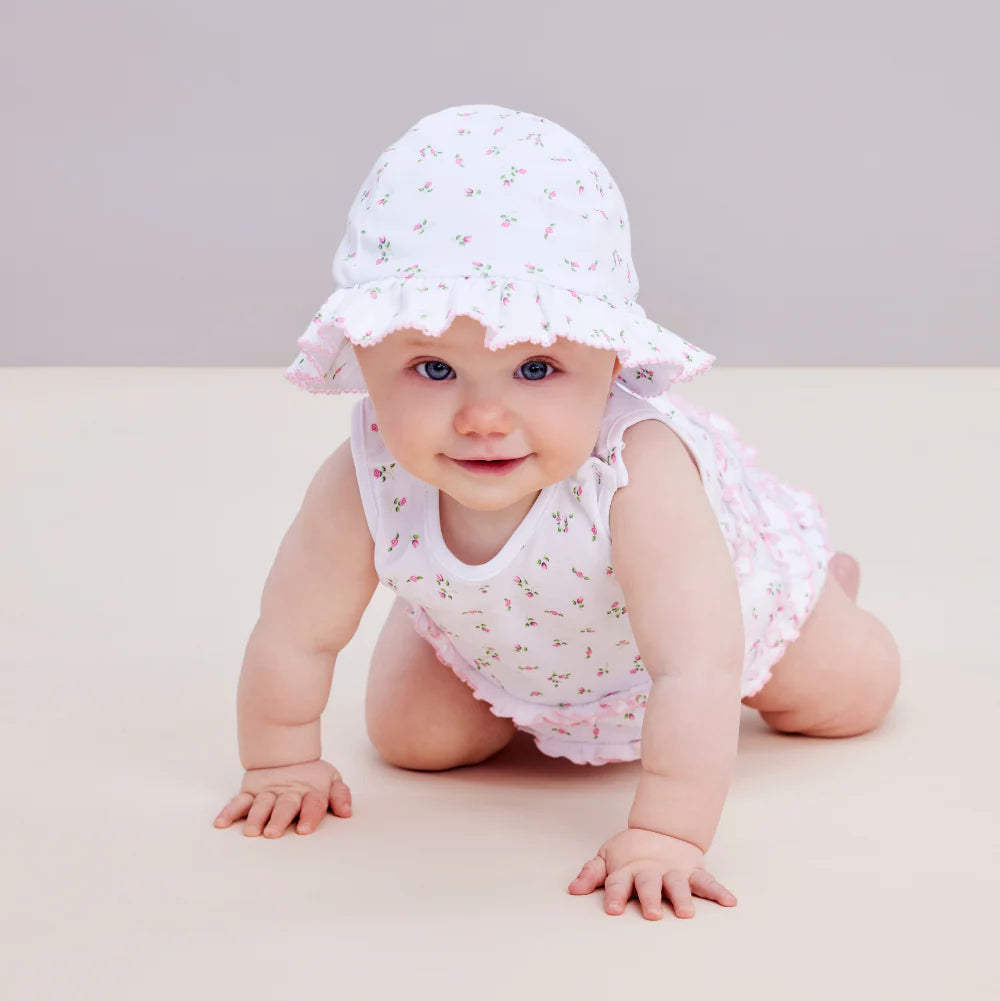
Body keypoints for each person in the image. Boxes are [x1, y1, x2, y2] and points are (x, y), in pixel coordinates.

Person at [213, 103, 901, 921]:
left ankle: (825, 587)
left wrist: (666, 833)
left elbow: (696, 666)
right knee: (411, 741)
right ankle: (450, 603)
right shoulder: (367, 471)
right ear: (366, 357)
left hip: (716, 630)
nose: (482, 418)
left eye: (536, 368)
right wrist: (280, 761)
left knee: (855, 693)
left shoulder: (635, 472)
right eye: (433, 369)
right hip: (518, 646)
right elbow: (295, 630)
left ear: (610, 361)